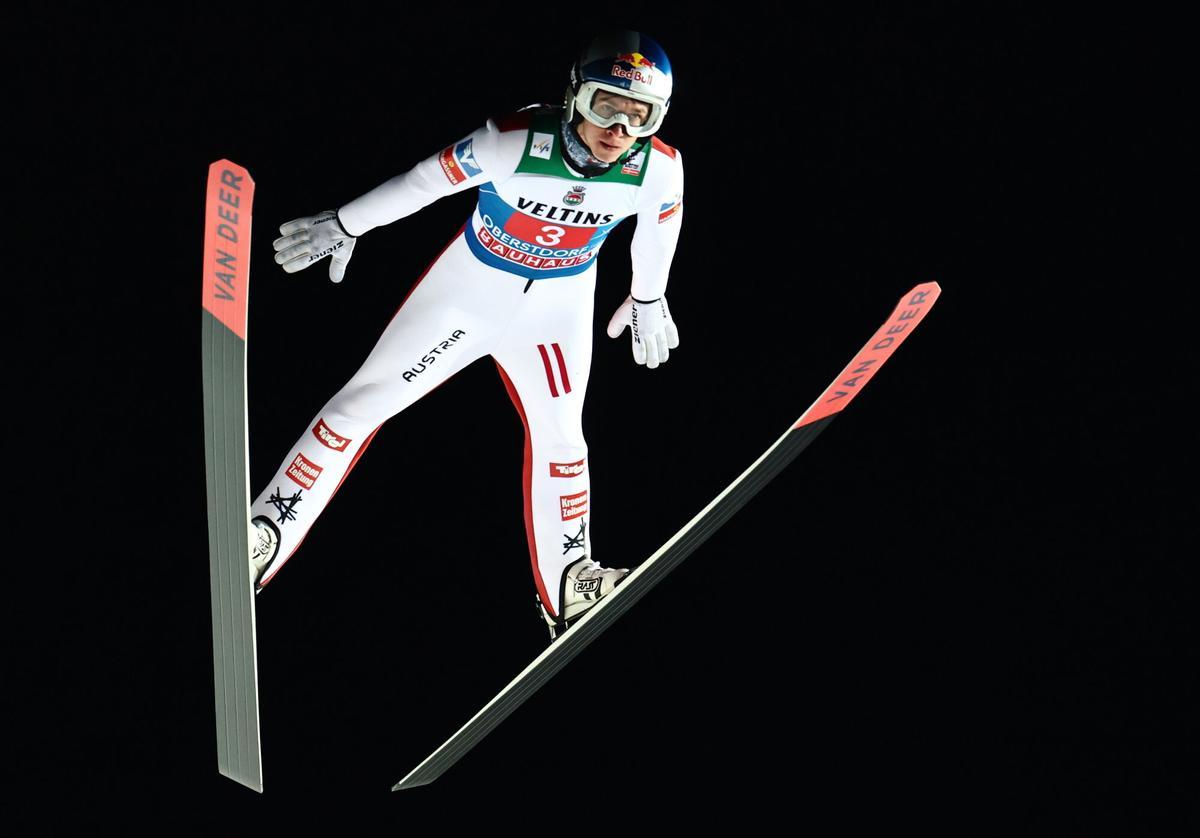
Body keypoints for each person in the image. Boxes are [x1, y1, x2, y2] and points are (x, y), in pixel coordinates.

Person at [249, 29, 685, 642]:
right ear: (573, 96)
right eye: (604, 105)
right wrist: (346, 225)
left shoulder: (658, 169)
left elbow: (659, 229)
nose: (618, 129)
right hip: (469, 294)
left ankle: (568, 579)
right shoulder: (510, 142)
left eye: (638, 116)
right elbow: (421, 184)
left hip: (555, 314)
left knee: (564, 437)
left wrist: (647, 295)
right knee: (359, 407)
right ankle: (266, 530)